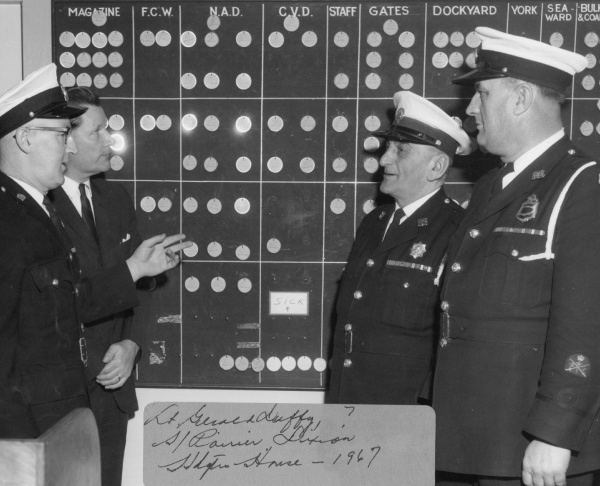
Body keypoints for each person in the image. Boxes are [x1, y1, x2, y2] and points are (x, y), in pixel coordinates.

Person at [432, 27, 600, 486]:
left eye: (481, 94)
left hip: (531, 451)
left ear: (521, 97)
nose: (469, 109)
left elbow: (586, 322)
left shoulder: (581, 184)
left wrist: (556, 434)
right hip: (473, 440)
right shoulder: (491, 187)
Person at [0, 63, 191, 439]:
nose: (68, 145)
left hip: (70, 412)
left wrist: (136, 276)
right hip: (33, 424)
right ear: (24, 139)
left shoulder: (37, 209)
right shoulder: (15, 217)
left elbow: (70, 302)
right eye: (60, 135)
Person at [326, 91, 472, 405]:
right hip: (345, 402)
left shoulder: (457, 232)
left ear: (436, 167)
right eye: (388, 147)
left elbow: (455, 344)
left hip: (404, 417)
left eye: (400, 150)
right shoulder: (374, 222)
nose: (383, 160)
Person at [48, 87, 144, 486]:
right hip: (62, 397)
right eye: (99, 131)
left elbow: (145, 284)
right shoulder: (39, 207)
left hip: (112, 392)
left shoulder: (116, 198)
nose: (111, 140)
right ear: (65, 142)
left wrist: (131, 344)